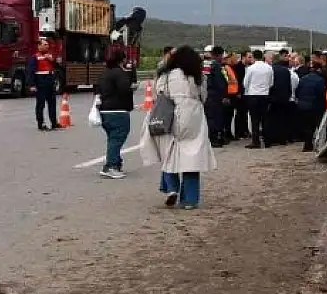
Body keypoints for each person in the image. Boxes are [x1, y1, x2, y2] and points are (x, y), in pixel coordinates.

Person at [140, 45, 217, 209]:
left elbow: (158, 95)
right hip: (193, 116)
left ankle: (171, 187)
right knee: (192, 157)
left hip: (169, 115)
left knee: (168, 153)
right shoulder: (197, 77)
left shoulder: (165, 76)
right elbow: (204, 96)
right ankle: (189, 200)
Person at [96, 49, 134, 179]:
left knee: (112, 138)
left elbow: (97, 89)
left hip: (104, 110)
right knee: (117, 138)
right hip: (117, 109)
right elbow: (124, 89)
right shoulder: (120, 73)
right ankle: (110, 166)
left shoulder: (104, 73)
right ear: (122, 60)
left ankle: (116, 163)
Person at [27, 39, 61, 131]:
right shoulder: (35, 57)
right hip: (41, 84)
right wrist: (32, 85)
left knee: (52, 104)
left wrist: (52, 60)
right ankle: (41, 124)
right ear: (39, 46)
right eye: (45, 44)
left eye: (47, 44)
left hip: (50, 83)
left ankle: (54, 123)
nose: (47, 46)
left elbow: (58, 67)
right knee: (40, 105)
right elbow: (31, 72)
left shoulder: (50, 56)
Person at [243, 49, 273, 148]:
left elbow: (245, 83)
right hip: (265, 95)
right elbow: (271, 83)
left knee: (254, 119)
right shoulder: (269, 68)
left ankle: (256, 142)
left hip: (253, 95)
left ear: (254, 57)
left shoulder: (251, 68)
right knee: (265, 119)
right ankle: (267, 141)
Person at [267, 49, 297, 146]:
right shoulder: (286, 71)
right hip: (284, 98)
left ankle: (272, 138)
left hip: (273, 98)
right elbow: (289, 85)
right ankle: (282, 139)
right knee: (283, 119)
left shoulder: (271, 70)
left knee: (272, 119)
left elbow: (270, 84)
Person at [295, 65, 327, 152]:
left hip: (303, 106)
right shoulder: (320, 80)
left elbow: (297, 92)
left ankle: (307, 145)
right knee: (319, 126)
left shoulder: (302, 79)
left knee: (307, 126)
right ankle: (320, 145)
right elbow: (321, 94)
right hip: (315, 106)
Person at [202, 45, 228, 148]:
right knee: (215, 117)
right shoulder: (216, 65)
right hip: (214, 95)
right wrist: (224, 95)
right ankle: (215, 139)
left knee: (208, 117)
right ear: (219, 55)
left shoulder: (204, 64)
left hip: (205, 94)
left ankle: (209, 138)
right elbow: (220, 82)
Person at [232, 51, 251, 140]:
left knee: (245, 113)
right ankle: (238, 132)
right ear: (244, 57)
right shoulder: (237, 67)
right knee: (239, 113)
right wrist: (238, 92)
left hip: (247, 93)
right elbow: (237, 81)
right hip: (240, 93)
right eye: (249, 57)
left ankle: (245, 130)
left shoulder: (249, 67)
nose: (250, 59)